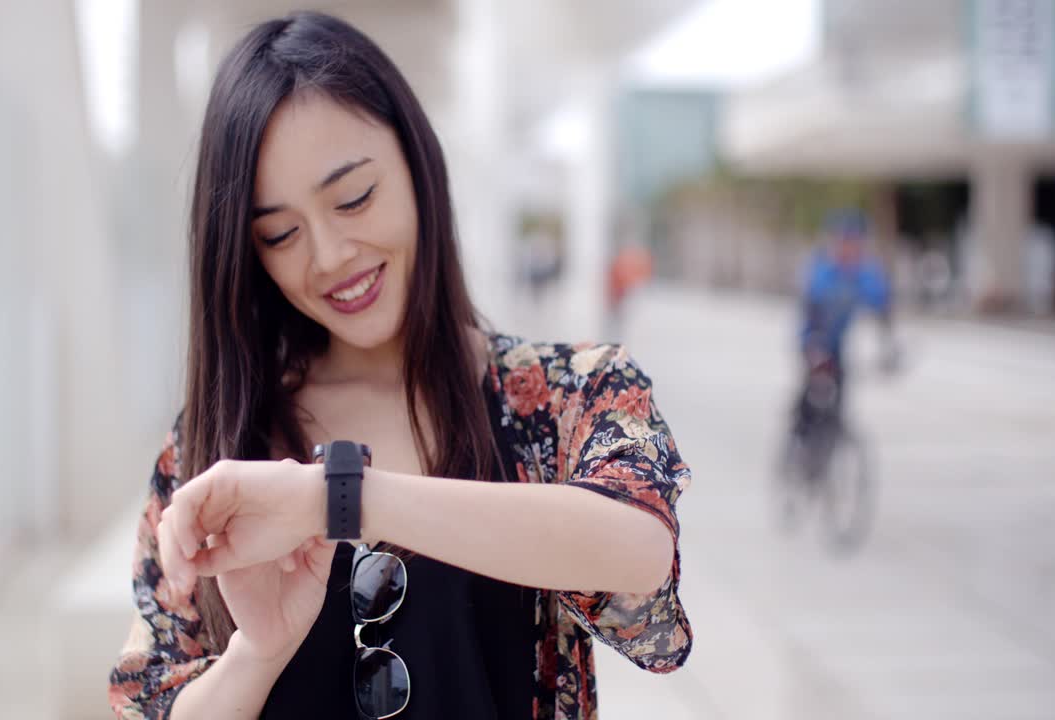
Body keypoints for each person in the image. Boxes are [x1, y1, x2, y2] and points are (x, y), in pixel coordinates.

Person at [108, 12, 691, 720]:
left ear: (417, 163)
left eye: (354, 197)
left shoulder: (569, 395)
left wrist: (338, 498)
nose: (329, 256)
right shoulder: (217, 446)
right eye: (281, 233)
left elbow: (636, 547)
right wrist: (256, 653)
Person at [793, 210, 898, 433]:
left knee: (841, 386)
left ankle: (833, 434)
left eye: (854, 242)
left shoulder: (865, 274)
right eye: (843, 241)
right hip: (812, 337)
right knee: (813, 385)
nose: (848, 248)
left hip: (838, 341)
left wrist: (889, 346)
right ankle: (799, 431)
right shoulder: (822, 270)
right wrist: (814, 347)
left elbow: (882, 308)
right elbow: (810, 307)